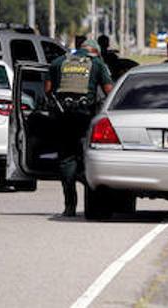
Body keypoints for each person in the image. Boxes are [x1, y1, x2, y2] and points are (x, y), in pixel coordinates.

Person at [44, 38, 114, 216]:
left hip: (63, 118)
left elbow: (47, 89)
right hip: (85, 119)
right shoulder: (97, 64)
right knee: (88, 159)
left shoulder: (59, 62)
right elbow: (109, 91)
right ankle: (94, 205)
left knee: (66, 160)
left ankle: (69, 206)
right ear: (95, 52)